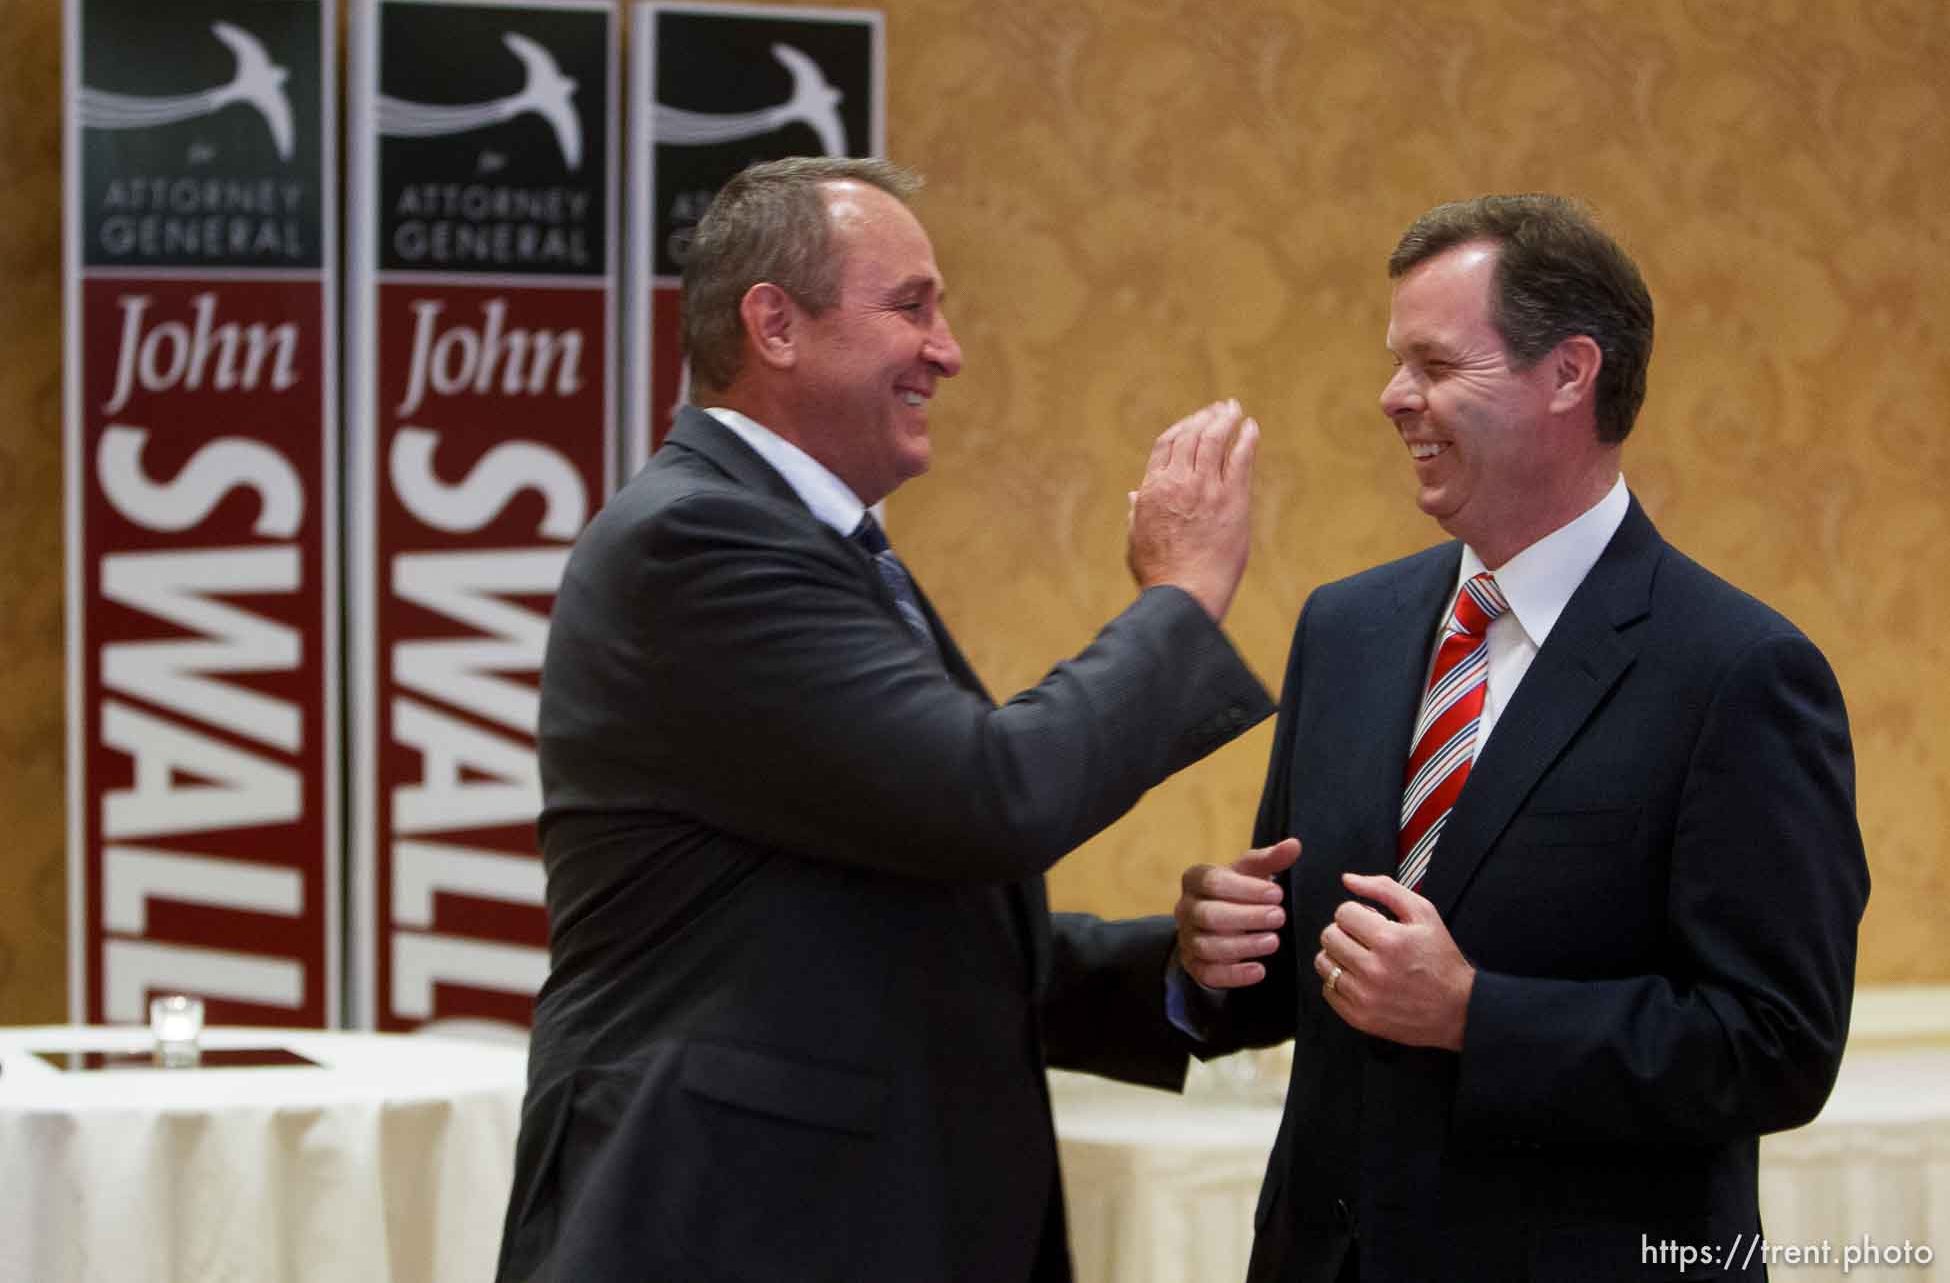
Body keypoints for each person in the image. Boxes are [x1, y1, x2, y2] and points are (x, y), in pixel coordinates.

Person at [495, 156, 1275, 1283]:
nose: (948, 349)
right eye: (911, 306)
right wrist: (1180, 595)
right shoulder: (698, 541)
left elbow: (896, 924)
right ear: (774, 323)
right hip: (732, 1228)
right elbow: (991, 796)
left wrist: (1181, 972)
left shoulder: (805, 545)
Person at [1172, 194, 1869, 1282]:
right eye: (1397, 360)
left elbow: (1775, 1047)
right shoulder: (1344, 629)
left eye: (1436, 363)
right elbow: (1306, 971)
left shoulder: (1738, 672)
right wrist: (1217, 949)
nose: (1393, 396)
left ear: (1569, 373)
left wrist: (1476, 1016)